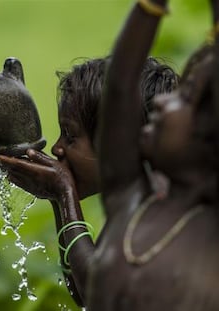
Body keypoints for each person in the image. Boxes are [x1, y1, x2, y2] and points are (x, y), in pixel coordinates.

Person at [0, 56, 178, 306]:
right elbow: (82, 293)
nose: (58, 148)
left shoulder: (159, 215)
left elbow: (99, 294)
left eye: (70, 136)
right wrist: (58, 200)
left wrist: (65, 193)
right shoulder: (134, 205)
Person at [88, 0, 219, 310]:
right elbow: (119, 86)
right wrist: (150, 6)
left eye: (184, 98)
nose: (161, 102)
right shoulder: (129, 198)